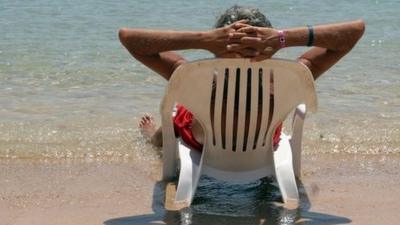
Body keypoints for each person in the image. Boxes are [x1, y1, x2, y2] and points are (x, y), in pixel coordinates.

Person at [119, 5, 365, 150]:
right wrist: (283, 38)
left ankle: (154, 139)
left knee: (178, 111)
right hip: (261, 144)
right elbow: (354, 31)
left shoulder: (195, 79)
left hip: (205, 142)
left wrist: (203, 40)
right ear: (266, 43)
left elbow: (129, 38)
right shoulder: (287, 79)